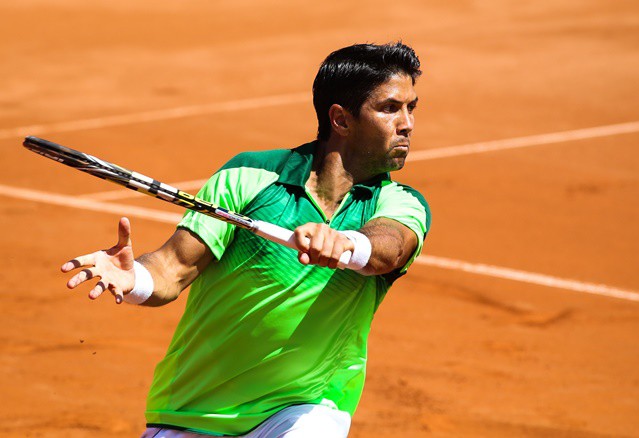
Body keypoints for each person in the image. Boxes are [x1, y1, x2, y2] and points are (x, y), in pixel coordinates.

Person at [62, 42, 431, 437]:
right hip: (193, 410)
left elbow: (390, 245)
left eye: (412, 107)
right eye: (390, 108)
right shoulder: (249, 177)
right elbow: (174, 267)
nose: (407, 123)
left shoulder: (399, 202)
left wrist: (347, 244)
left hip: (306, 408)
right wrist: (135, 278)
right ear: (341, 119)